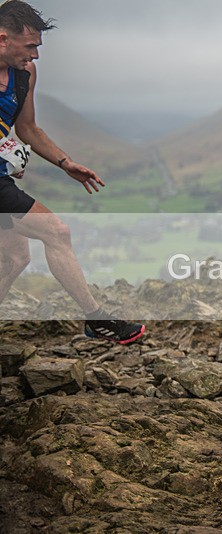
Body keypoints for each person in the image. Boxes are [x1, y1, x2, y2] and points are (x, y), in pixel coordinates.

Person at [0, 0, 144, 344]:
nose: (35, 55)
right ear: (3, 38)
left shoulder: (25, 75)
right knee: (57, 232)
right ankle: (96, 319)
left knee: (15, 256)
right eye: (30, 46)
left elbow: (28, 128)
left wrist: (66, 163)